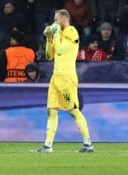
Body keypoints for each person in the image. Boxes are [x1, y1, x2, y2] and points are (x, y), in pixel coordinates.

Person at [33, 9, 93, 153]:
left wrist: (54, 33)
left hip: (67, 77)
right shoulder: (58, 34)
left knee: (73, 110)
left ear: (63, 19)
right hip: (56, 77)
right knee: (51, 111)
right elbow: (49, 55)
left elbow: (60, 51)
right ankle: (48, 146)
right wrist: (49, 38)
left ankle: (88, 144)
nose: (54, 23)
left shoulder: (71, 32)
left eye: (56, 20)